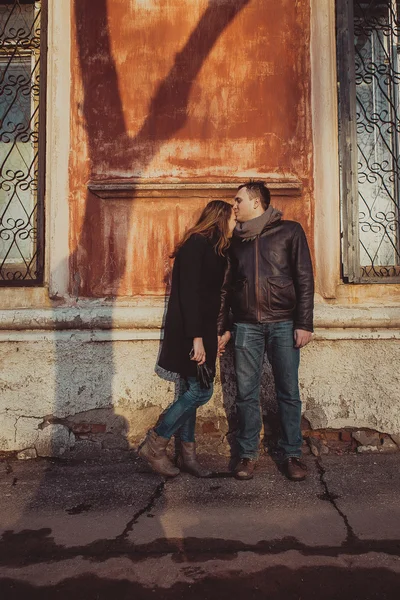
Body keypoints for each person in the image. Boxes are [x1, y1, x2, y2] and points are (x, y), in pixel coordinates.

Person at [217, 181, 314, 482]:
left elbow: (304, 279)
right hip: (246, 325)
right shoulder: (235, 241)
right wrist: (222, 327)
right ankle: (247, 454)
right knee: (246, 394)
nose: (233, 206)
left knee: (288, 392)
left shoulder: (290, 231)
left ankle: (292, 455)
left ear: (256, 203)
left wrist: (304, 323)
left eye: (238, 201)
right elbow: (225, 288)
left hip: (284, 323)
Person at [139, 200, 236, 478]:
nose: (235, 225)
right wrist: (196, 338)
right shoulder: (196, 245)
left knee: (188, 391)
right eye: (232, 219)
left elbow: (218, 296)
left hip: (204, 330)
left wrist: (221, 332)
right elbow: (190, 295)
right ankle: (155, 443)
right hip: (191, 331)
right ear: (220, 218)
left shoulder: (216, 249)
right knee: (201, 391)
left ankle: (187, 456)